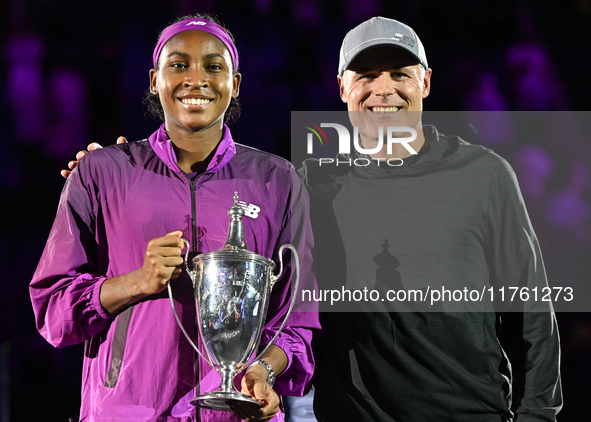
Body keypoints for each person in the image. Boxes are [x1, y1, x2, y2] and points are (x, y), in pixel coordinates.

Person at [64, 15, 563, 422]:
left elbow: (532, 307)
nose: (383, 89)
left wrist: (539, 413)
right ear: (343, 87)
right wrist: (109, 171)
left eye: (400, 74)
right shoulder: (309, 183)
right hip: (351, 415)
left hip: (469, 412)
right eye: (366, 76)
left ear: (426, 82)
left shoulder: (483, 174)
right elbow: (293, 308)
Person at [31, 14, 319, 422]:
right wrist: (136, 282)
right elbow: (53, 309)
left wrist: (264, 370)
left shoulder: (279, 181)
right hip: (130, 411)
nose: (196, 79)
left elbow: (296, 320)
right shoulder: (102, 172)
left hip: (234, 416)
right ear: (154, 80)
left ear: (235, 84)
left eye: (214, 66)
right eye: (179, 64)